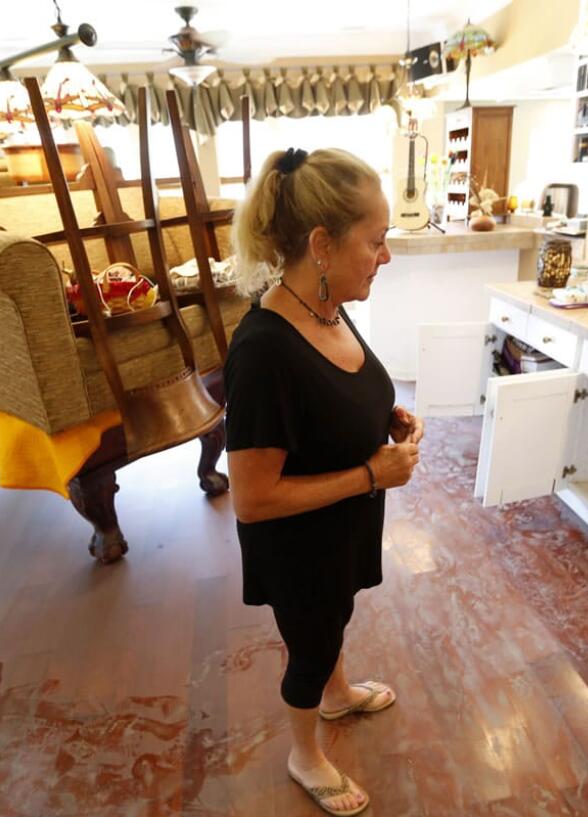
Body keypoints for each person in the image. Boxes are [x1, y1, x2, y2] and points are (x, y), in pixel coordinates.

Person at [224, 147, 424, 816]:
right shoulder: (262, 351)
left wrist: (380, 416)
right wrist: (372, 470)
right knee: (310, 642)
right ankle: (305, 754)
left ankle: (339, 696)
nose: (385, 256)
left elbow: (330, 392)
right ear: (321, 244)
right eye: (376, 240)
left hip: (340, 524)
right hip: (297, 544)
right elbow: (251, 499)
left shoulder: (327, 306)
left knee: (334, 619)